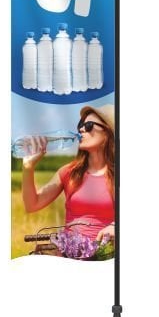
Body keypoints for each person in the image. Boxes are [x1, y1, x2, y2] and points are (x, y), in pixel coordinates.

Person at [21, 104, 115, 243]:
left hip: (107, 253)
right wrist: (28, 167)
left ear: (107, 133)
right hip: (69, 252)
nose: (81, 129)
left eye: (89, 126)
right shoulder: (69, 172)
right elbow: (32, 205)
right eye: (81, 125)